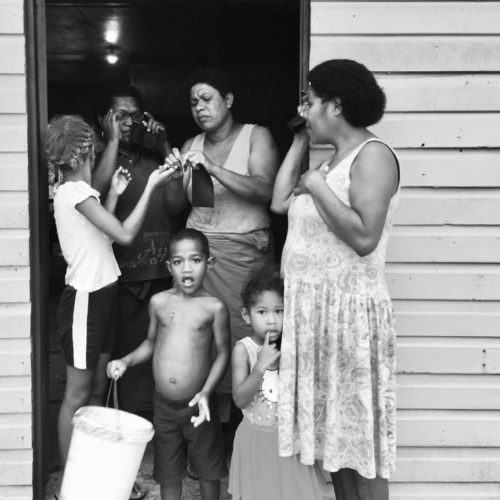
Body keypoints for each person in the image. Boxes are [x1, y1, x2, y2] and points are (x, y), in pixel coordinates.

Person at [271, 59, 400, 500]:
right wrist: (300, 140)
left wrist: (319, 187)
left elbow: (365, 237)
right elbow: (278, 201)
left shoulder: (374, 156)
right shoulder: (329, 162)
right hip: (316, 319)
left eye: (310, 100)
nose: (304, 108)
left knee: (358, 449)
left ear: (336, 105)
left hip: (349, 323)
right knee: (334, 448)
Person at [45, 114, 177, 470]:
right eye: (94, 149)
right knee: (76, 395)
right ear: (83, 154)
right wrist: (150, 186)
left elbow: (101, 236)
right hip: (85, 302)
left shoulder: (80, 194)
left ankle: (91, 471)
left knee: (97, 389)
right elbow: (122, 235)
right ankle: (72, 482)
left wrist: (115, 196)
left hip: (101, 298)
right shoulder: (75, 193)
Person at [163, 67, 280, 426]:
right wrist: (172, 174)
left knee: (246, 334)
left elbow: (265, 190)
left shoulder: (255, 136)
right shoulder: (190, 146)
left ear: (228, 100)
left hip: (244, 255)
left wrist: (213, 168)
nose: (199, 107)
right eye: (193, 101)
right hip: (199, 258)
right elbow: (172, 207)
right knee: (199, 336)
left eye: (207, 98)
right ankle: (204, 426)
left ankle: (247, 427)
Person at [107, 228, 231, 500]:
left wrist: (207, 393)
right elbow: (151, 343)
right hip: (163, 406)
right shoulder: (159, 302)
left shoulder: (214, 307)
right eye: (178, 262)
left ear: (208, 264)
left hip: (199, 404)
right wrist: (125, 360)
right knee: (168, 472)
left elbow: (223, 353)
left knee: (207, 469)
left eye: (196, 260)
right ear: (169, 267)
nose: (187, 269)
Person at [92, 85, 185, 419]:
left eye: (134, 115)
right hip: (120, 278)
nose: (128, 122)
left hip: (161, 275)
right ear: (104, 119)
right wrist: (113, 140)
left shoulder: (153, 160)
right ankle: (120, 425)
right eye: (120, 115)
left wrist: (162, 144)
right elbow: (95, 192)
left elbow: (176, 204)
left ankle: (155, 428)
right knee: (120, 358)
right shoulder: (97, 158)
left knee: (163, 354)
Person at [228, 273, 325, 500]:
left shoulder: (292, 348)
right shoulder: (244, 350)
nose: (272, 320)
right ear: (247, 315)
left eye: (279, 311)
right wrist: (260, 365)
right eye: (262, 312)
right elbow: (240, 399)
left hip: (289, 442)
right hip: (256, 441)